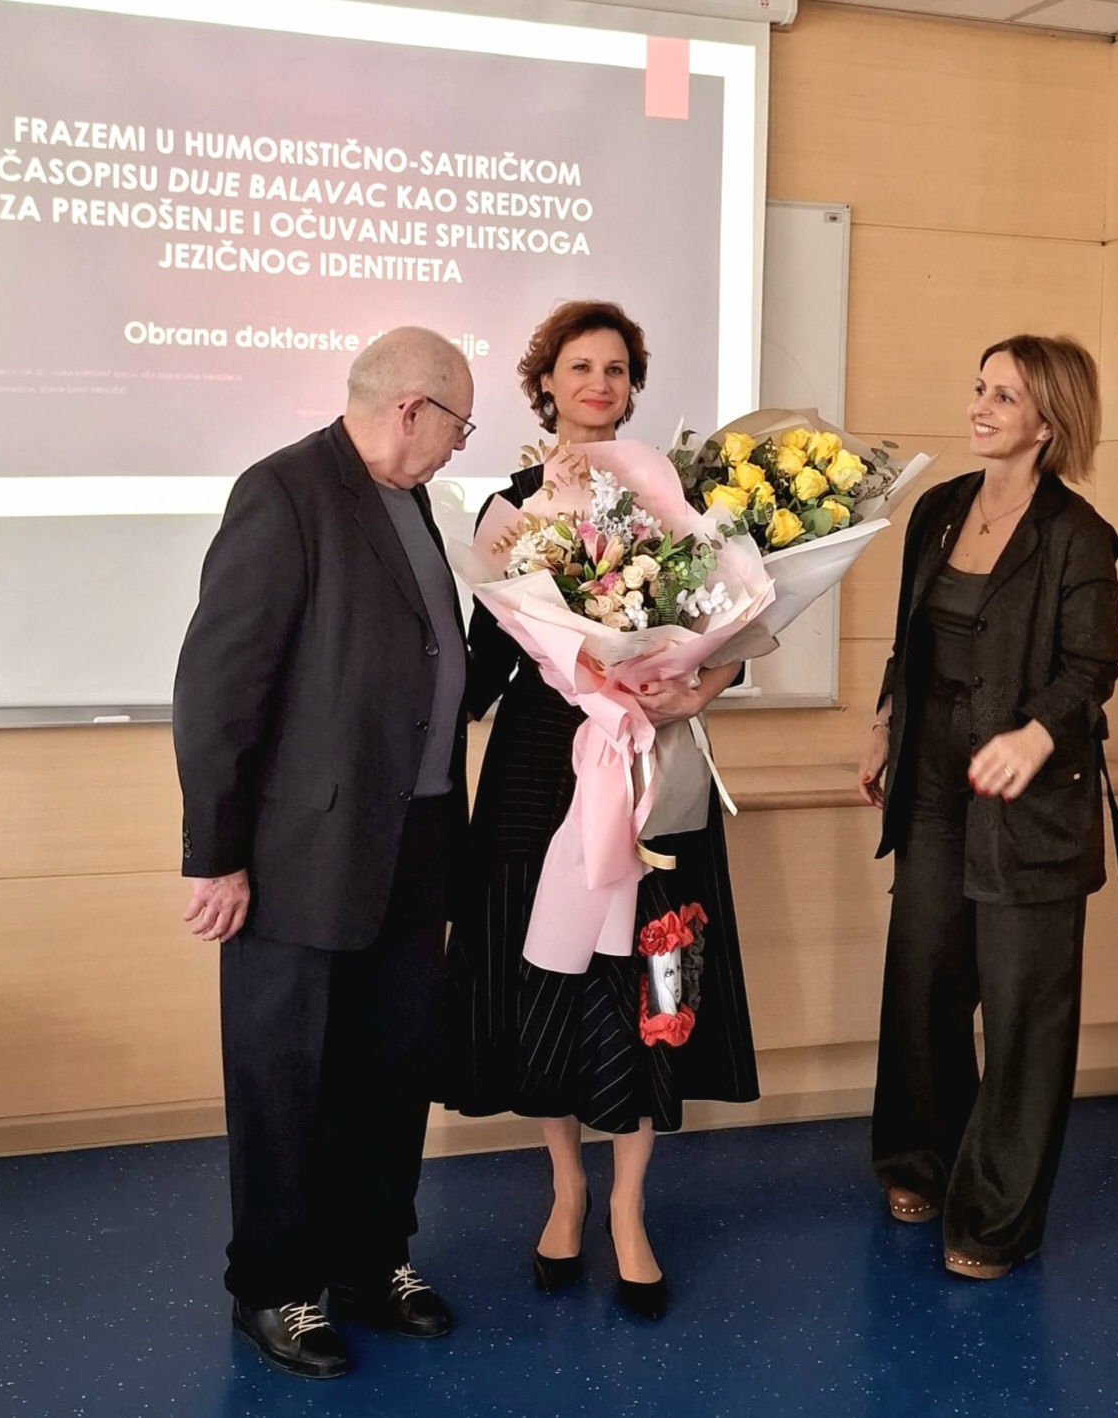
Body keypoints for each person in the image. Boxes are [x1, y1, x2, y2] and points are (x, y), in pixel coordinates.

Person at [439, 300, 759, 1321]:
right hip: (542, 767)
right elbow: (486, 663)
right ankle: (567, 1189)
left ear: (633, 385)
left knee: (653, 974)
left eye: (616, 368)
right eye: (579, 366)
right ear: (546, 383)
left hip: (654, 763)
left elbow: (738, 635)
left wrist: (695, 688)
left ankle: (629, 1205)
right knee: (549, 971)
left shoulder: (674, 500)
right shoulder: (510, 506)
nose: (599, 384)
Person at [173, 327, 475, 1378]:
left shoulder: (414, 500)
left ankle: (369, 1260)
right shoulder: (284, 492)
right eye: (458, 424)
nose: (459, 445)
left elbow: (431, 662)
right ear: (411, 408)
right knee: (285, 1078)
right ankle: (274, 1285)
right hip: (301, 851)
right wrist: (215, 852)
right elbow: (218, 688)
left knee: (390, 1072)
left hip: (416, 841)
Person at [858, 334, 1118, 1280]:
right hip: (932, 780)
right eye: (980, 387)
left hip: (1029, 795)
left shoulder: (1078, 535)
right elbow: (910, 642)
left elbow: (1091, 666)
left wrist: (1036, 735)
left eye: (1005, 396)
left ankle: (996, 1220)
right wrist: (885, 725)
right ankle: (918, 1163)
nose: (980, 406)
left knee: (1023, 1010)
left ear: (1049, 421)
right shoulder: (938, 509)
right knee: (924, 977)